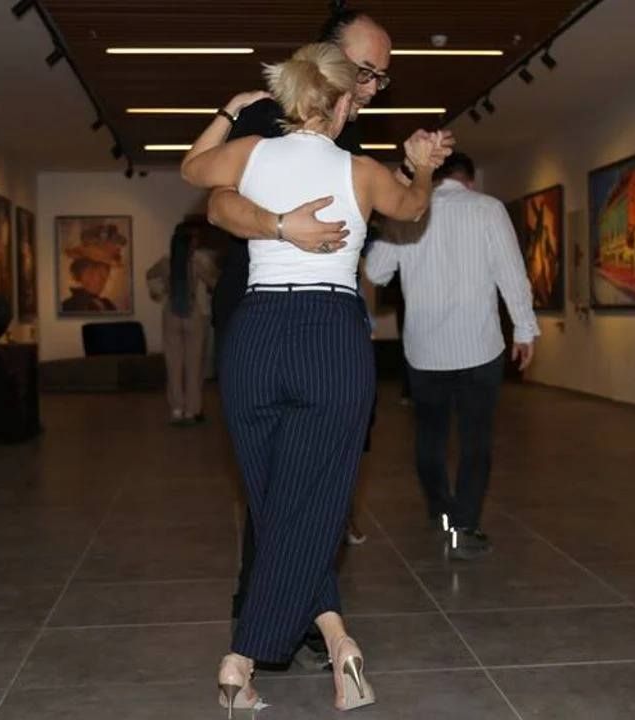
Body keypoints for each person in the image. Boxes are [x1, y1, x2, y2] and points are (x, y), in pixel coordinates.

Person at [181, 40, 446, 714]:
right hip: (330, 339)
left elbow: (192, 169)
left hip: (254, 338)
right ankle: (252, 656)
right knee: (312, 506)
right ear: (341, 103)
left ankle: (326, 641)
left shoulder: (250, 154)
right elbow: (414, 208)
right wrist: (421, 168)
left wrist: (228, 110)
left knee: (277, 507)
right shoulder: (362, 171)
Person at [364, 152, 537, 560]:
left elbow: (376, 272)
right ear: (468, 180)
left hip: (425, 351)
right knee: (476, 440)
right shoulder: (488, 209)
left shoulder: (408, 212)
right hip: (480, 346)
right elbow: (512, 272)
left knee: (430, 437)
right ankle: (465, 527)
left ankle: (441, 511)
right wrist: (524, 329)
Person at [146, 221, 220, 425]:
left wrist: (160, 291)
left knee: (173, 364)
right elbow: (214, 282)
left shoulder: (166, 262)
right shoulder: (198, 261)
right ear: (190, 241)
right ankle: (192, 410)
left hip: (171, 312)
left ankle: (177, 409)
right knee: (194, 365)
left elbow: (150, 275)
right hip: (193, 313)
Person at [61, 225, 126, 313]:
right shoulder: (69, 306)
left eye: (106, 271)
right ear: (83, 273)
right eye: (98, 273)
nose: (103, 280)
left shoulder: (108, 305)